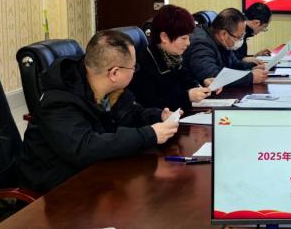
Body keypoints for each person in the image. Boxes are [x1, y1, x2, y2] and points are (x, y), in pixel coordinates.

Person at [20, 29, 179, 193]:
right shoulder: (58, 101)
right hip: (58, 191)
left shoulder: (102, 85)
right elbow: (84, 148)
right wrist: (149, 135)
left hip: (96, 175)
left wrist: (157, 116)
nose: (135, 71)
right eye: (133, 67)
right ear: (114, 73)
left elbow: (129, 113)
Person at [128, 4, 211, 111]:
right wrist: (187, 97)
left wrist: (203, 83)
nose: (188, 43)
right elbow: (149, 104)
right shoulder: (143, 65)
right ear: (164, 37)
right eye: (184, 38)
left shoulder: (173, 57)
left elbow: (186, 81)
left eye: (188, 38)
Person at [183, 8, 268, 87]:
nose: (241, 40)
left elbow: (234, 64)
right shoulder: (201, 44)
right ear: (224, 34)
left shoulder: (222, 41)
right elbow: (213, 76)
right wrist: (250, 77)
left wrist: (252, 67)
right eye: (239, 37)